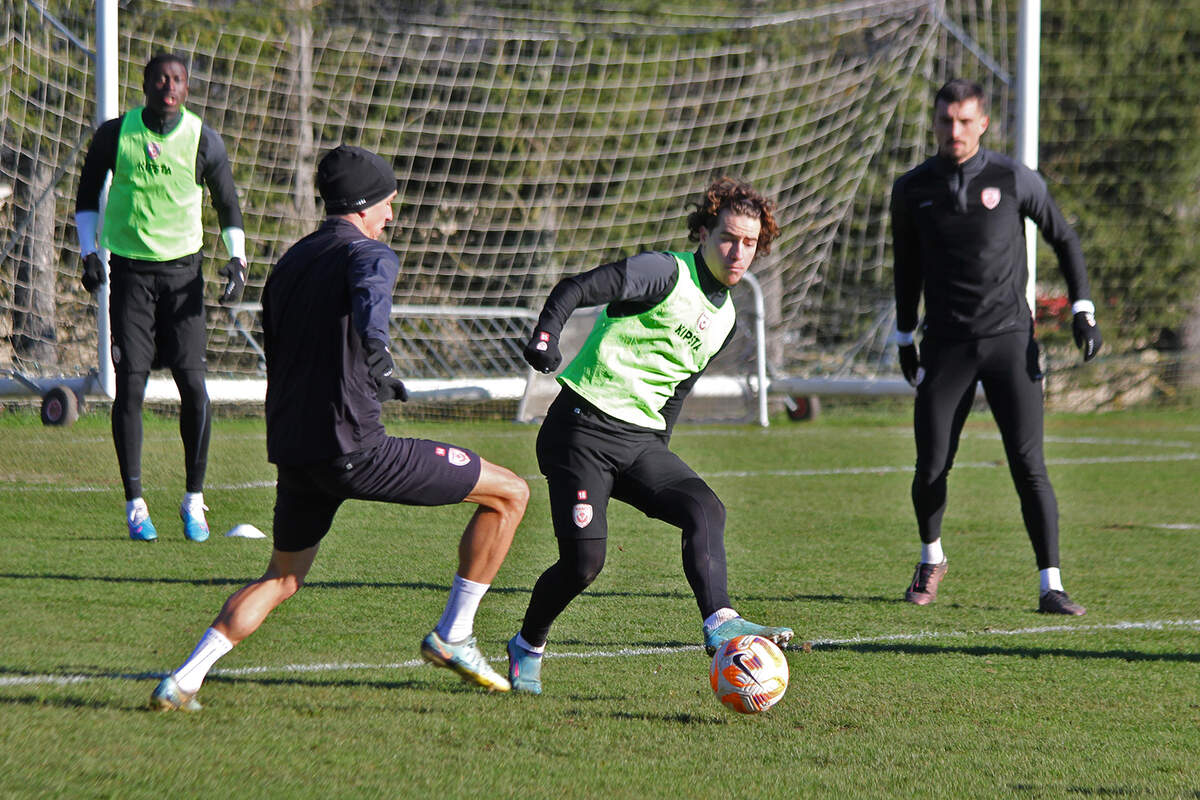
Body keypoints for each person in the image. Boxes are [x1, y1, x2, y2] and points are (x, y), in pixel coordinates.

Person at [149, 145, 529, 710]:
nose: (391, 217)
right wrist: (380, 357)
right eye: (388, 205)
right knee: (510, 493)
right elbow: (372, 296)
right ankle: (454, 634)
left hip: (296, 453)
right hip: (356, 449)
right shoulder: (370, 252)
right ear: (364, 204)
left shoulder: (290, 265)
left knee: (282, 577)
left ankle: (183, 678)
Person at [506, 177, 794, 695]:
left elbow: (678, 387)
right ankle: (527, 645)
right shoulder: (663, 272)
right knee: (583, 564)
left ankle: (719, 622)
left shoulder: (725, 317)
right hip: (581, 429)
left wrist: (658, 451)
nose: (738, 251)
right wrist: (545, 339)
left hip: (639, 442)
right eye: (728, 237)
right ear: (703, 233)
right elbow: (575, 287)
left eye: (750, 242)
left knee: (704, 509)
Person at [890, 78, 1104, 615]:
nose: (954, 130)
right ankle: (931, 556)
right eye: (945, 120)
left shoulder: (1012, 178)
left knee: (1028, 464)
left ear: (983, 123)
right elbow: (906, 268)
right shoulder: (912, 188)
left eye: (964, 121)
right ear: (935, 122)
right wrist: (902, 334)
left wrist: (1082, 309)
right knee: (931, 465)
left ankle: (1050, 585)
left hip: (1010, 340)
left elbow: (1064, 236)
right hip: (946, 346)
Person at [74, 53, 248, 543]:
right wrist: (90, 253)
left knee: (194, 387)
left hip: (183, 278)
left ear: (186, 89)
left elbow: (227, 202)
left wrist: (237, 262)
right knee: (129, 388)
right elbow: (88, 196)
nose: (169, 86)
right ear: (146, 84)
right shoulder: (115, 134)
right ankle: (135, 505)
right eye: (161, 79)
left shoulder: (202, 138)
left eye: (178, 80)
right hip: (130, 275)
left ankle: (194, 499)